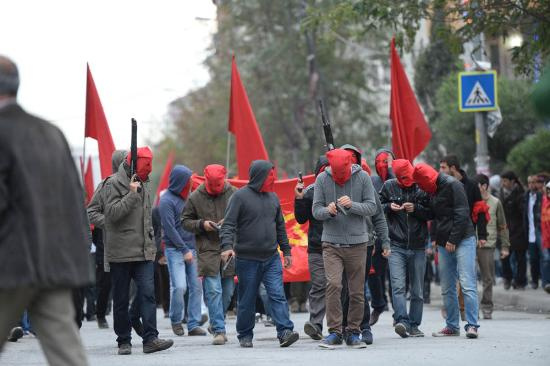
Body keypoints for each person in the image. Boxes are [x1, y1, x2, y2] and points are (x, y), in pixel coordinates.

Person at [0, 55, 93, 365]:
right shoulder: (50, 133)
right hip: (54, 262)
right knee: (68, 355)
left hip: (11, 263)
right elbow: (73, 200)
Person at [220, 160, 299, 348]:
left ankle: (285, 332)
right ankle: (245, 334)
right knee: (247, 299)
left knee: (277, 294)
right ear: (260, 177)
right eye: (271, 175)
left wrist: (286, 251)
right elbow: (228, 225)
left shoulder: (273, 198)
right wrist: (226, 246)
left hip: (271, 258)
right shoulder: (239, 197)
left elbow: (281, 227)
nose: (273, 178)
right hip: (247, 259)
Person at [103, 147, 173, 355]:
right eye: (146, 164)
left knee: (148, 295)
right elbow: (112, 214)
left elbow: (146, 220)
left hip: (143, 252)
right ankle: (124, 340)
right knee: (122, 298)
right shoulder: (113, 183)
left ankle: (150, 338)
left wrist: (151, 246)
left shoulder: (143, 182)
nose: (149, 169)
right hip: (121, 252)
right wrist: (131, 195)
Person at [312, 148, 379, 349]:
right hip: (331, 243)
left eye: (345, 171)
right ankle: (334, 332)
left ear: (350, 164)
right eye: (337, 172)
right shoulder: (322, 180)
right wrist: (327, 211)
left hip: (358, 243)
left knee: (357, 291)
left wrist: (352, 205)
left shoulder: (364, 178)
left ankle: (353, 332)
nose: (341, 177)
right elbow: (316, 211)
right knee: (333, 285)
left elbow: (372, 207)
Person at [413, 163, 480, 339]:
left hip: (463, 238)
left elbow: (462, 213)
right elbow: (432, 214)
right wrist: (415, 209)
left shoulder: (453, 185)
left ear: (428, 180)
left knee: (467, 283)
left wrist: (453, 239)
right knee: (447, 286)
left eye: (421, 185)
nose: (421, 188)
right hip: (444, 242)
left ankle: (472, 325)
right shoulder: (430, 189)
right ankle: (452, 325)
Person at [88, 150, 143, 333]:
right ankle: (101, 313)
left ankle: (134, 317)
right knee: (107, 283)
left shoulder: (138, 183)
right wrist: (110, 224)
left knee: (144, 287)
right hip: (109, 244)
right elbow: (92, 212)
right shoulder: (107, 185)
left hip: (135, 246)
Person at [182, 164, 237, 345]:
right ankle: (219, 331)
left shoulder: (234, 193)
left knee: (227, 292)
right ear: (206, 180)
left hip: (229, 248)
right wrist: (202, 224)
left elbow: (244, 217)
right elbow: (185, 221)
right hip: (207, 249)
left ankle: (215, 322)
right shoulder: (195, 197)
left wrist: (229, 222)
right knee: (214, 290)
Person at [379, 159, 433, 338]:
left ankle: (414, 325)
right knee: (398, 286)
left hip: (418, 245)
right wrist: (389, 207)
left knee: (417, 290)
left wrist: (416, 208)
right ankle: (402, 321)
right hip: (396, 244)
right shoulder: (388, 186)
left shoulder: (422, 187)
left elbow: (432, 212)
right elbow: (376, 207)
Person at [159, 165, 206, 337]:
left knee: (196, 286)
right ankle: (176, 320)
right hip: (175, 250)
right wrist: (184, 249)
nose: (190, 184)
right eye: (188, 181)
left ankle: (193, 324)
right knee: (179, 287)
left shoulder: (190, 198)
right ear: (180, 182)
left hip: (192, 248)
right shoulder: (166, 201)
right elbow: (170, 229)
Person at [295, 156, 329, 340]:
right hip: (317, 247)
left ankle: (342, 325)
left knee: (339, 287)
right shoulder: (309, 191)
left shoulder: (342, 189)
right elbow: (300, 219)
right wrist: (299, 198)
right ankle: (315, 325)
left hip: (340, 246)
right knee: (318, 285)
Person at [474, 174, 511, 319]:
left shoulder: (495, 202)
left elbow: (502, 226)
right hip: (470, 243)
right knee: (467, 278)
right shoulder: (471, 201)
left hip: (488, 245)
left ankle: (487, 307)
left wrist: (505, 246)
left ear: (484, 186)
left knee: (488, 278)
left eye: (477, 186)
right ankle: (468, 309)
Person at [368, 148, 396, 323]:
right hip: (376, 234)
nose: (383, 165)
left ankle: (398, 313)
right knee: (373, 273)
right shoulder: (371, 181)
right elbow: (373, 206)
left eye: (387, 161)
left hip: (397, 234)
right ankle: (378, 304)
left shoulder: (400, 180)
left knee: (395, 276)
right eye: (380, 161)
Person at [500, 171, 528, 290]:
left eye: (505, 181)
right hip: (505, 231)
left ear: (512, 181)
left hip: (519, 230)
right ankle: (508, 278)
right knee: (505, 256)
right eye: (502, 181)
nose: (503, 184)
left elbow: (524, 214)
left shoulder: (520, 194)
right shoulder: (501, 194)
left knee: (520, 257)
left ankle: (520, 281)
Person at [525, 175, 543, 289]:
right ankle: (535, 280)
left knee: (544, 257)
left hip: (540, 231)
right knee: (533, 258)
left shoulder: (541, 196)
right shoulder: (526, 197)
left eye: (534, 182)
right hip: (530, 232)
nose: (532, 185)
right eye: (530, 182)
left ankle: (545, 280)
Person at [541, 182, 550, 294]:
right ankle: (546, 283)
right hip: (546, 238)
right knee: (546, 260)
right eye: (548, 190)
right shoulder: (544, 202)